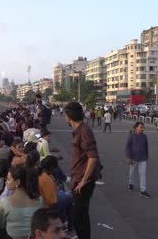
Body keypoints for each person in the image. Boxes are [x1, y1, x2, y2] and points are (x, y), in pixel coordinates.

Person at [64, 102, 101, 239]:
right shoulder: (79, 130)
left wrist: (84, 181)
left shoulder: (84, 131)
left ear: (69, 117)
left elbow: (93, 157)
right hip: (78, 178)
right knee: (78, 215)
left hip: (82, 181)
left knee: (81, 216)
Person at [0, 165, 43, 239]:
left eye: (9, 179)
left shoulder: (5, 203)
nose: (6, 182)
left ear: (17, 182)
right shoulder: (40, 200)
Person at [41, 156, 74, 234]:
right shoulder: (48, 179)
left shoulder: (39, 173)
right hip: (47, 205)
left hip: (43, 201)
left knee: (62, 194)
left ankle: (65, 221)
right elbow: (53, 202)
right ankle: (70, 226)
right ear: (52, 168)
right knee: (69, 198)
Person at [125, 122, 150, 199]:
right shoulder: (131, 136)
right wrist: (128, 157)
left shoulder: (144, 136)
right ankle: (131, 183)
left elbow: (146, 147)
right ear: (136, 128)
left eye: (143, 127)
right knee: (132, 172)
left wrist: (147, 157)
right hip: (133, 158)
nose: (142, 129)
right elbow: (127, 147)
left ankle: (143, 190)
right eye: (141, 127)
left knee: (143, 175)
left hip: (143, 158)